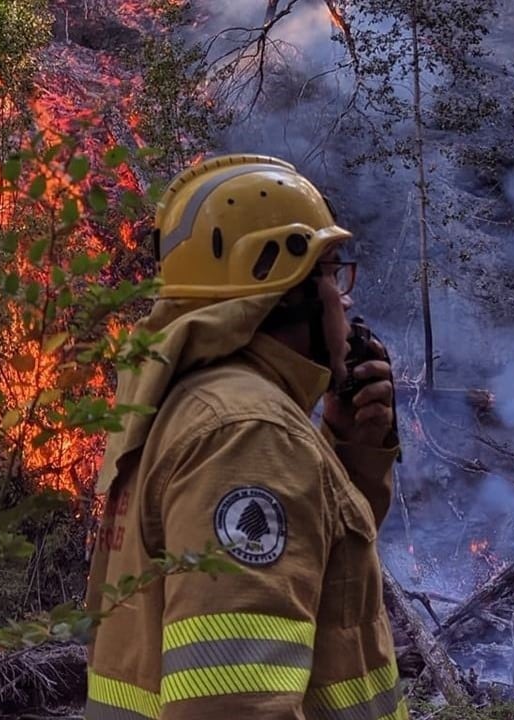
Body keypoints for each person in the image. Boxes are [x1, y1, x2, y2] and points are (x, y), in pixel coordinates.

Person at [85, 154, 406, 720]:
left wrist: (349, 448)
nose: (345, 297)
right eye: (332, 272)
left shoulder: (200, 406)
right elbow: (234, 701)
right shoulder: (247, 434)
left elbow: (312, 580)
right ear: (286, 290)